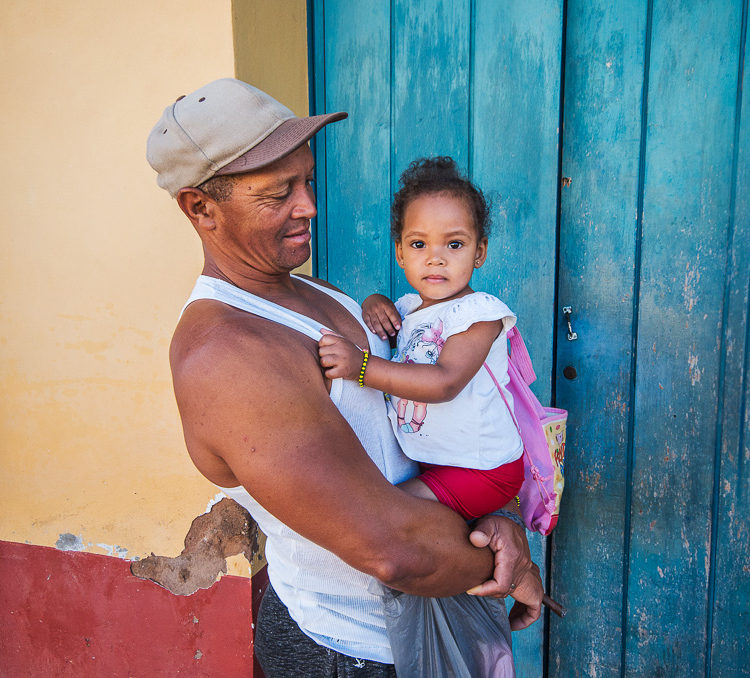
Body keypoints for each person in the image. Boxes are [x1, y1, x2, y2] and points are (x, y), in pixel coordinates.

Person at [146, 78, 543, 677]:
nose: (308, 206)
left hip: (420, 621)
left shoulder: (315, 292)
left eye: (308, 182)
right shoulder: (228, 357)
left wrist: (496, 520)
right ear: (200, 207)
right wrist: (511, 564)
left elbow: (413, 447)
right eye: (278, 192)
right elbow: (396, 550)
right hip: (347, 653)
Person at [318, 156, 524, 522]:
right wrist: (373, 302)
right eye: (418, 245)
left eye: (454, 245)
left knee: (385, 512)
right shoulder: (409, 307)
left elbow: (444, 382)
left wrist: (361, 367)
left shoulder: (480, 314)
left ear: (480, 252)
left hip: (481, 469)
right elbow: (394, 324)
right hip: (437, 462)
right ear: (399, 252)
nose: (435, 259)